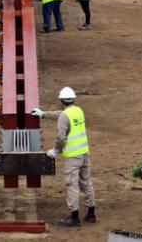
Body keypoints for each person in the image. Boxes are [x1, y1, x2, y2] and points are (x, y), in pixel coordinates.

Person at [32, 87, 97, 227]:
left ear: (61, 100)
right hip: (84, 153)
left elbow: (61, 137)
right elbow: (61, 115)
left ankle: (74, 217)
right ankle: (91, 213)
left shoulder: (64, 116)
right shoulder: (78, 110)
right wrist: (43, 114)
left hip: (73, 157)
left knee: (72, 185)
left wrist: (55, 151)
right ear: (74, 99)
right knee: (86, 182)